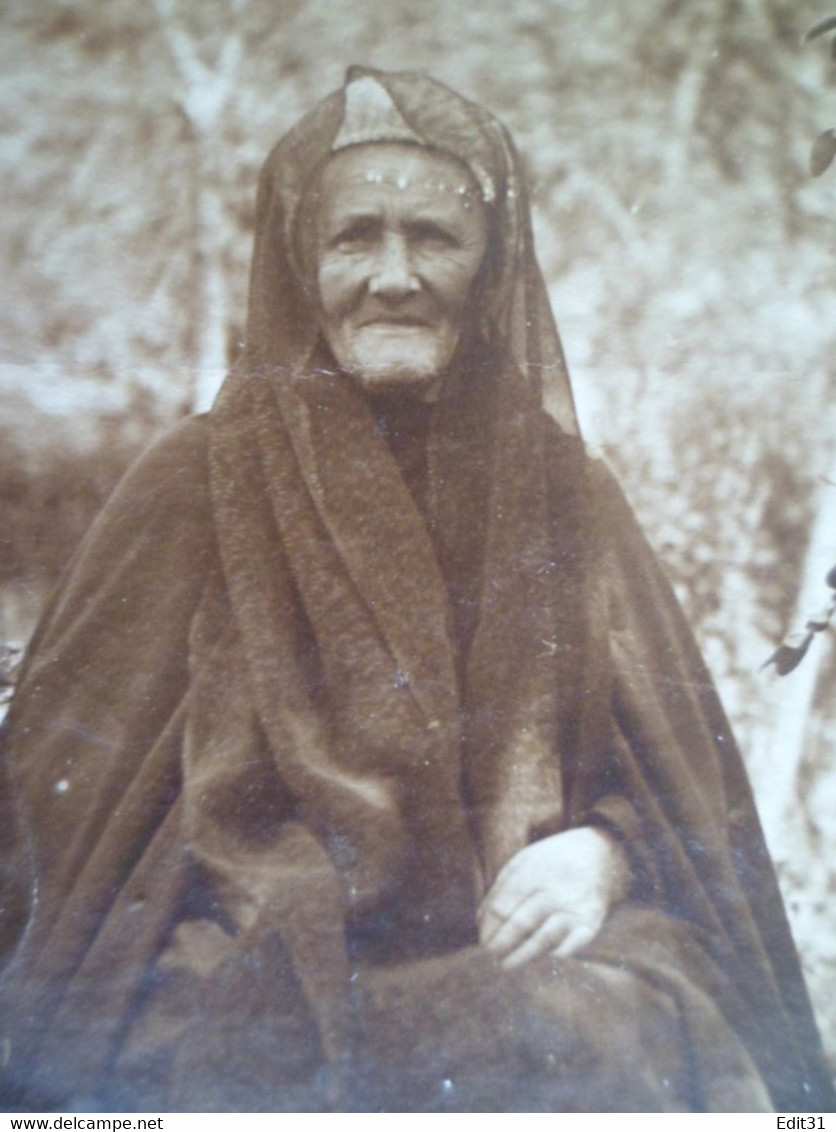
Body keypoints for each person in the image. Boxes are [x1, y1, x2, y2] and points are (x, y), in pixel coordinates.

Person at [0, 66, 831, 1113]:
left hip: (527, 935)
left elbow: (680, 779)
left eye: (433, 239)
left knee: (649, 1026)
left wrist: (607, 853)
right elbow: (65, 809)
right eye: (355, 238)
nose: (393, 275)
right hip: (241, 937)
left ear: (489, 269)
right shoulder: (192, 481)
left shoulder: (567, 495)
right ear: (303, 266)